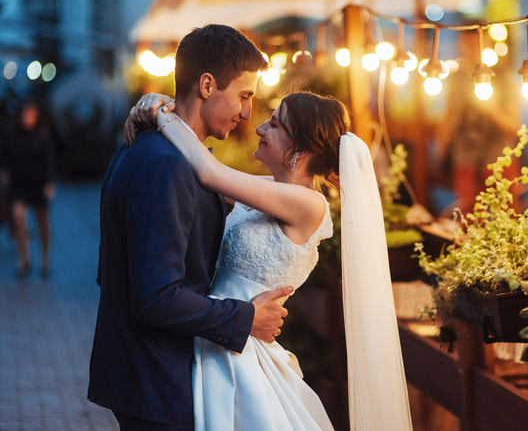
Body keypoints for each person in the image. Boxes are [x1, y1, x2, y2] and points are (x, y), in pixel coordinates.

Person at [127, 90, 413, 430]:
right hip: (217, 328)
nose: (260, 127)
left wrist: (162, 115)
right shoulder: (269, 188)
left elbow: (208, 172)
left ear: (301, 151)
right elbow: (198, 173)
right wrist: (149, 109)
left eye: (275, 124)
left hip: (240, 347)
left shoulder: (309, 205)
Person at [88, 24, 292, 431]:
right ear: (206, 84)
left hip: (148, 369)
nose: (248, 113)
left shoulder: (153, 146)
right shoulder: (167, 166)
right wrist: (245, 319)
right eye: (244, 96)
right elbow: (156, 297)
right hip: (154, 377)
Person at [0, 99, 55, 278]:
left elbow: (49, 161)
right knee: (18, 218)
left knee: (42, 221)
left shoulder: (42, 135)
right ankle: (24, 259)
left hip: (37, 183)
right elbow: (5, 156)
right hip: (18, 183)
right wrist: (5, 172)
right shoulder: (11, 134)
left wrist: (48, 183)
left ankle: (45, 258)